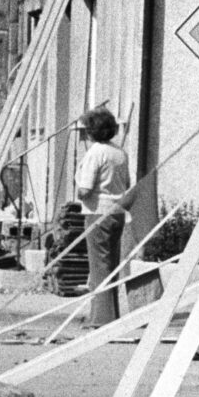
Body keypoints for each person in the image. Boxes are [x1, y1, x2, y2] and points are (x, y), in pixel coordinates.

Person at [75, 107, 132, 326]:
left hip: (97, 211)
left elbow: (85, 189)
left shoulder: (95, 153)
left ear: (92, 131)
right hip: (117, 211)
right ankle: (111, 314)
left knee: (98, 265)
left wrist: (78, 185)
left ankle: (101, 318)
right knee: (111, 263)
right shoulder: (120, 153)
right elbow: (126, 183)